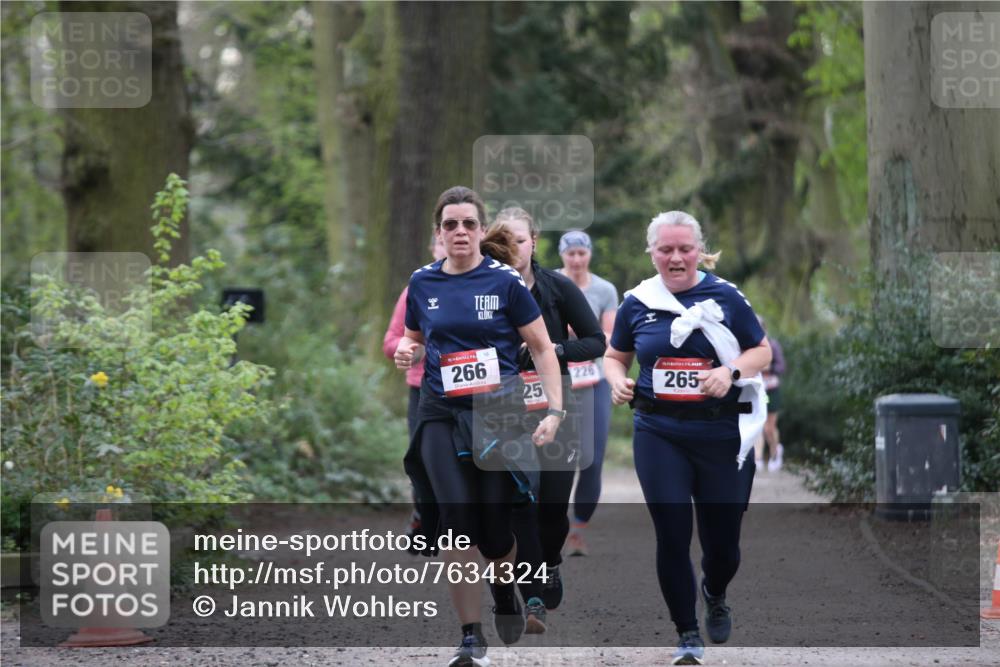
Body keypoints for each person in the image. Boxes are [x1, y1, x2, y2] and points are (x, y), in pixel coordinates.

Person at [394, 187, 566, 667]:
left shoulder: (505, 282)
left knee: (494, 533)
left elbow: (544, 348)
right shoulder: (423, 283)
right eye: (450, 225)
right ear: (439, 233)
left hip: (497, 416)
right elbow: (411, 340)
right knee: (456, 525)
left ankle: (504, 590)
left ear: (480, 229)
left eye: (468, 224)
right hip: (439, 414)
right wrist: (407, 352)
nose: (460, 232)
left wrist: (554, 411)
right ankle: (470, 636)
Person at [603, 211, 771, 666]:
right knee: (672, 534)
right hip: (659, 432)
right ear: (652, 252)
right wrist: (616, 379)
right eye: (665, 250)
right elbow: (615, 355)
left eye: (684, 249)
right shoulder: (637, 302)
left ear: (699, 250)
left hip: (721, 434)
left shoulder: (726, 296)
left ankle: (714, 592)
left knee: (723, 546)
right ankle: (687, 634)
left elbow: (762, 350)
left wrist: (729, 371)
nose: (675, 258)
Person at [488, 209, 606, 634]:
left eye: (519, 239)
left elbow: (596, 341)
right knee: (522, 501)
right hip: (504, 411)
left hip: (556, 407)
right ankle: (531, 591)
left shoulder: (557, 288)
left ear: (534, 241)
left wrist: (553, 352)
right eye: (504, 240)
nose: (513, 248)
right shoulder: (484, 290)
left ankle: (551, 562)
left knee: (553, 507)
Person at [557, 230, 619, 557]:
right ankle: (548, 523)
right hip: (555, 378)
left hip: (593, 378)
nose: (577, 259)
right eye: (571, 254)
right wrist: (584, 332)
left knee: (591, 456)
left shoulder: (605, 290)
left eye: (582, 253)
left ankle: (578, 527)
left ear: (590, 254)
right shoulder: (551, 282)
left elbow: (608, 336)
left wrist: (573, 335)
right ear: (563, 255)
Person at [383, 234, 448, 543]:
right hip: (423, 388)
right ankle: (425, 515)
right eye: (440, 243)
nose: (447, 250)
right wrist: (409, 349)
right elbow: (393, 339)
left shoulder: (487, 283)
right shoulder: (417, 288)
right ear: (433, 246)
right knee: (423, 458)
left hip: (474, 391)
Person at [753, 315, 787, 472]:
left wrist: (769, 368)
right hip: (757, 389)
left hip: (771, 390)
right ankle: (758, 458)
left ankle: (775, 452)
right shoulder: (749, 346)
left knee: (769, 427)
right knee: (757, 425)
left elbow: (781, 367)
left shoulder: (772, 345)